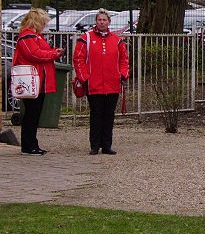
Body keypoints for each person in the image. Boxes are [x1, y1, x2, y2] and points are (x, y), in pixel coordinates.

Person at [73, 9, 130, 155]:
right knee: (96, 114)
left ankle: (106, 145)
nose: (102, 22)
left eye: (104, 20)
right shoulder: (85, 38)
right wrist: (84, 78)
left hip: (113, 84)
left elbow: (124, 60)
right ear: (96, 22)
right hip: (94, 84)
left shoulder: (117, 40)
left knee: (109, 115)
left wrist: (123, 74)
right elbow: (78, 59)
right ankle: (94, 145)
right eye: (99, 20)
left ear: (109, 22)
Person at [13, 8, 65, 155]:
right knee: (31, 113)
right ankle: (28, 145)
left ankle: (32, 143)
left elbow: (39, 53)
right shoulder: (27, 37)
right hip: (32, 81)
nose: (44, 25)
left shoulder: (35, 37)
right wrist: (53, 53)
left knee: (34, 113)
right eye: (43, 22)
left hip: (38, 80)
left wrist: (53, 52)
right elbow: (34, 54)